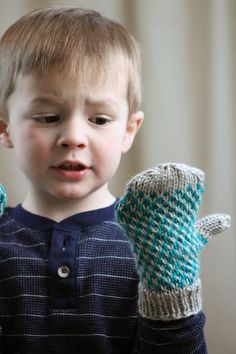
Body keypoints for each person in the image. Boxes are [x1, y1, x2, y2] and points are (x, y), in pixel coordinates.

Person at [0, 6, 230, 354]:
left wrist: (172, 292)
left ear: (129, 130)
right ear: (5, 128)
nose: (74, 137)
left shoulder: (153, 244)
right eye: (48, 117)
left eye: (100, 119)